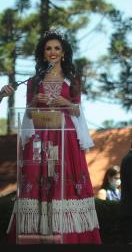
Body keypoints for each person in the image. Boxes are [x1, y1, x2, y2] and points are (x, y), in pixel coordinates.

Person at [6, 30, 100, 244]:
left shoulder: (73, 80)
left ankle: (69, 236)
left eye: (57, 48)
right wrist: (33, 102)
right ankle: (38, 235)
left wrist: (65, 103)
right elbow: (28, 113)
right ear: (43, 53)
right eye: (49, 48)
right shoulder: (34, 81)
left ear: (64, 53)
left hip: (65, 136)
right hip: (40, 136)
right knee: (38, 180)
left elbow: (78, 111)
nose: (53, 52)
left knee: (65, 179)